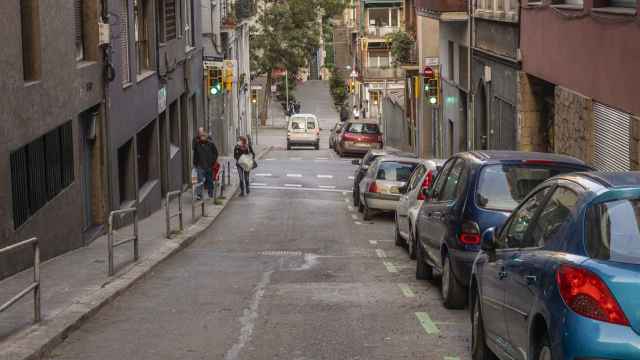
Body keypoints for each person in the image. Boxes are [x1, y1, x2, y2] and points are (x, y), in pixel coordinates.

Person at [192, 127, 218, 199]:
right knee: (200, 180)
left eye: (203, 136)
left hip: (209, 166)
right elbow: (195, 154)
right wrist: (195, 164)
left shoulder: (211, 144)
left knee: (209, 180)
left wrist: (212, 161)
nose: (202, 138)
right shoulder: (197, 144)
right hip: (200, 166)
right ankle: (199, 195)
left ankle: (210, 193)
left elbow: (215, 153)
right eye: (201, 136)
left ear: (206, 137)